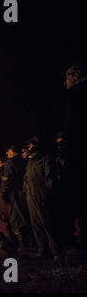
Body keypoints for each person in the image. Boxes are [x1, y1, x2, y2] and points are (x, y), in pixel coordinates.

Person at [23, 137, 60, 260]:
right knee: (36, 224)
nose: (28, 147)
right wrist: (25, 192)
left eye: (30, 145)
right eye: (28, 146)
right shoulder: (30, 161)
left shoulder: (44, 158)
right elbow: (27, 178)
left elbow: (50, 178)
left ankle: (56, 251)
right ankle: (42, 249)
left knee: (46, 223)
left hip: (41, 195)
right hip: (30, 196)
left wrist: (47, 194)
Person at [62, 58, 87, 247]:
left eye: (68, 77)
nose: (65, 82)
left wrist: (67, 153)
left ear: (77, 76)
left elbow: (74, 129)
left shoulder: (76, 96)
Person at [0, 145, 31, 251]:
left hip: (14, 193)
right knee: (25, 216)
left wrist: (3, 192)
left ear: (12, 152)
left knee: (16, 218)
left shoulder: (10, 163)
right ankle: (30, 243)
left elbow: (6, 180)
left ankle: (23, 245)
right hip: (25, 192)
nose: (7, 154)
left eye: (8, 151)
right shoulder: (24, 161)